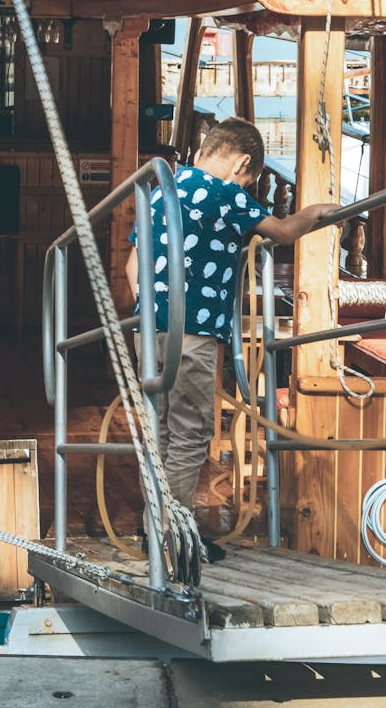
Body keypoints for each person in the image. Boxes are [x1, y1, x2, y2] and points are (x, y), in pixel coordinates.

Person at [126, 116, 338, 557]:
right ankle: (171, 536)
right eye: (249, 178)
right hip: (194, 332)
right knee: (190, 433)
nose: (245, 185)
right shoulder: (225, 194)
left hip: (150, 330)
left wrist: (150, 312)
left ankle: (155, 526)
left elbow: (132, 265)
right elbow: (281, 231)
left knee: (163, 432)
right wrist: (315, 215)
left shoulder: (163, 190)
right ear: (241, 162)